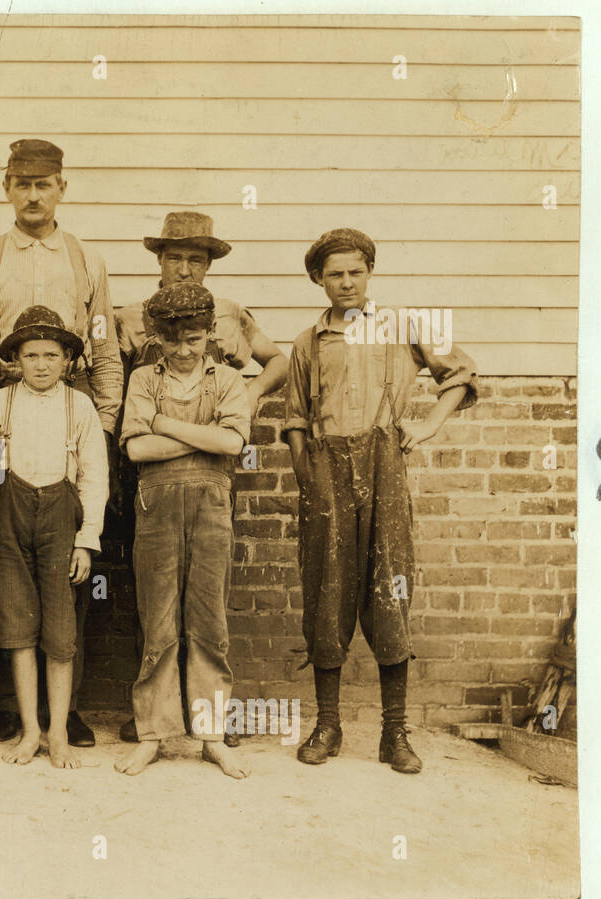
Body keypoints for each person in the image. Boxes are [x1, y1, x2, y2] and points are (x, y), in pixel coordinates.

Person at [283, 228, 478, 774]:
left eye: (356, 272)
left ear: (370, 272)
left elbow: (459, 373)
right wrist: (308, 474)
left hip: (384, 464)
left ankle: (395, 734)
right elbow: (295, 418)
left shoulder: (404, 327)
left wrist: (429, 425)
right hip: (326, 472)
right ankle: (328, 725)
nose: (346, 283)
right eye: (334, 274)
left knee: (390, 587)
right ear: (318, 280)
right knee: (327, 591)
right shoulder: (306, 342)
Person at [0, 138, 122, 748]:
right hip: (5, 420)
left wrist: (101, 429)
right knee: (7, 578)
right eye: (22, 183)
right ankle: (10, 707)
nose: (33, 195)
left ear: (61, 188)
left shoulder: (86, 261)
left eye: (44, 184)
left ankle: (67, 710)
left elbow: (103, 345)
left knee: (68, 580)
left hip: (70, 428)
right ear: (6, 187)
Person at [114, 210, 289, 745]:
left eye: (196, 259)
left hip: (210, 481)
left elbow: (275, 363)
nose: (185, 268)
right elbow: (130, 425)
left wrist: (248, 396)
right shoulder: (128, 317)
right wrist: (184, 427)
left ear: (209, 265)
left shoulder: (231, 315)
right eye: (175, 258)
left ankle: (208, 721)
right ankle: (157, 721)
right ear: (159, 261)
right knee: (155, 604)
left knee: (207, 609)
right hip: (151, 485)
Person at [116, 283, 251, 779]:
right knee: (159, 621)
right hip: (156, 504)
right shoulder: (141, 379)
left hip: (212, 505)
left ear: (210, 332)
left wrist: (162, 424)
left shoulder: (229, 381)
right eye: (172, 341)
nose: (183, 350)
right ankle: (152, 735)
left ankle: (211, 736)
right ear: (156, 338)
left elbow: (232, 444)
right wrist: (202, 439)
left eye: (193, 339)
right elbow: (136, 451)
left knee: (209, 621)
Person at [0, 307, 107, 769]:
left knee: (59, 631)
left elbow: (95, 475)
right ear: (16, 359)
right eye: (31, 355)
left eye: (51, 355)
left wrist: (86, 538)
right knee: (18, 628)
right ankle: (30, 730)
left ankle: (57, 730)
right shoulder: (1, 403)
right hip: (9, 519)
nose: (41, 364)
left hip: (62, 520)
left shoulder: (80, 406)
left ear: (67, 360)